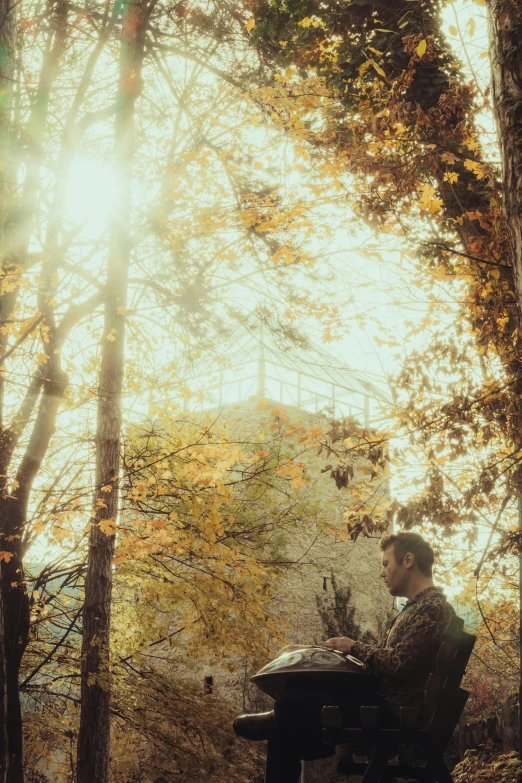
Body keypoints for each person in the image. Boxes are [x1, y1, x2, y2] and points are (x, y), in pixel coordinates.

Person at [233, 532, 455, 783]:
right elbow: (391, 660)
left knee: (287, 708)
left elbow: (398, 664)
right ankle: (278, 717)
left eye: (385, 564)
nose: (382, 573)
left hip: (393, 714)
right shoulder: (420, 608)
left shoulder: (432, 608)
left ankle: (277, 714)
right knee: (283, 733)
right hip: (388, 709)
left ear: (408, 561)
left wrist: (353, 647)